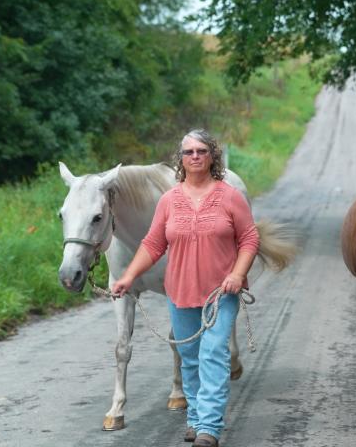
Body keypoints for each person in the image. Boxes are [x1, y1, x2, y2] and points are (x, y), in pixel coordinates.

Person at [111, 129, 259, 447]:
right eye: (188, 152)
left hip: (222, 293)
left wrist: (237, 273)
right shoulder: (169, 200)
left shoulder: (229, 196)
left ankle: (209, 428)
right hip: (180, 292)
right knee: (189, 357)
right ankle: (194, 417)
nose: (194, 156)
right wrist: (127, 276)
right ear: (181, 159)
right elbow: (153, 243)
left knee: (213, 355)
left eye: (201, 151)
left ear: (212, 156)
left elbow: (249, 238)